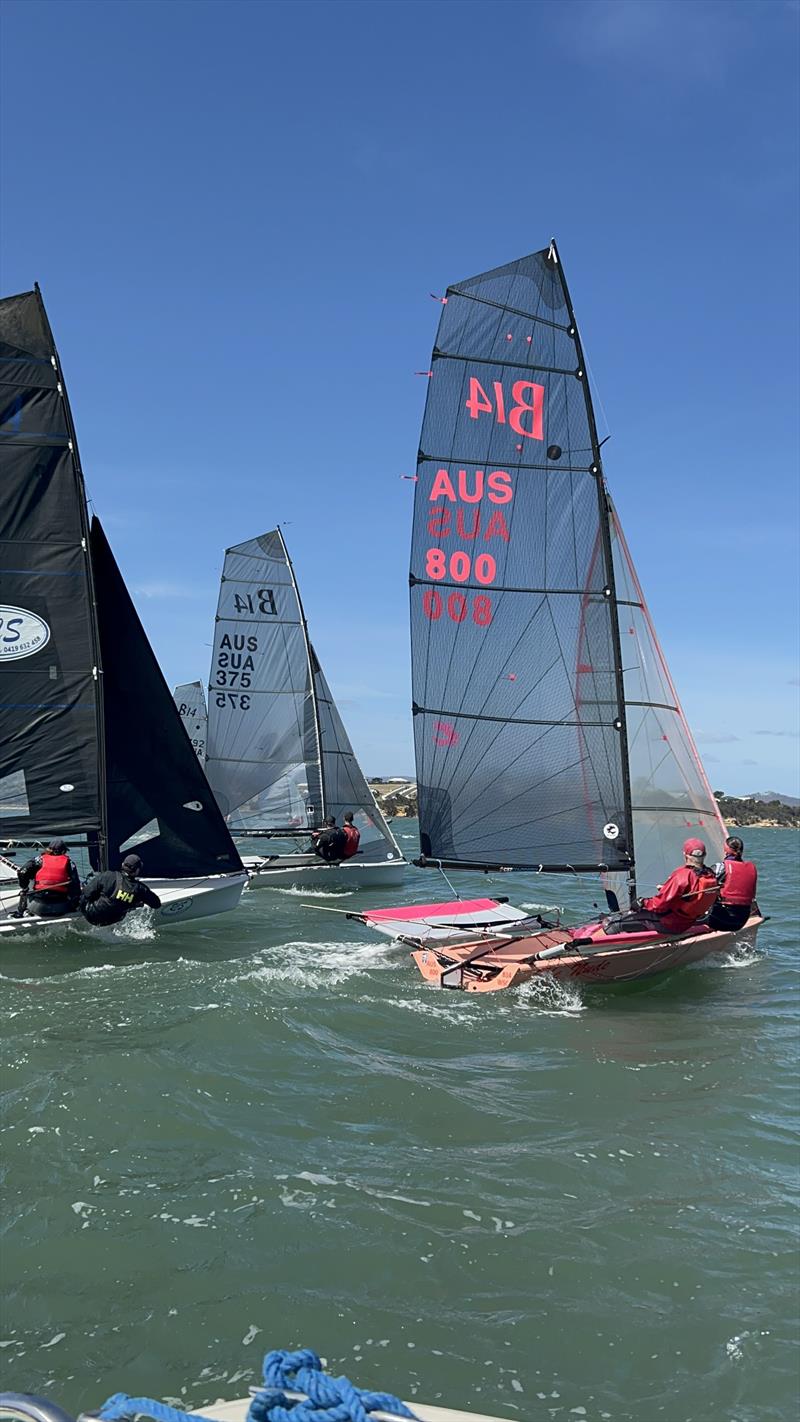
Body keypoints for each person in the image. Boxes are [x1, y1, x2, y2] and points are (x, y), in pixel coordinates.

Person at [602, 838, 719, 937]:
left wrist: (642, 902)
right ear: (704, 855)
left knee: (611, 924)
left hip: (669, 923)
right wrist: (666, 889)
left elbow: (659, 905)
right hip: (687, 922)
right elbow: (690, 895)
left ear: (685, 854)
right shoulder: (709, 874)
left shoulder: (683, 874)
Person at [79, 853, 161, 927]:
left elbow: (86, 893)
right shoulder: (140, 888)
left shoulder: (108, 875)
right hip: (112, 921)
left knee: (89, 887)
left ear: (122, 864)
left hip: (91, 916)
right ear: (137, 871)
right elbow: (156, 904)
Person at [12, 839, 82, 918]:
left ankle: (20, 913)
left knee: (24, 891)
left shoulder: (39, 859)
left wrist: (24, 887)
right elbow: (76, 886)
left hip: (38, 906)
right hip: (61, 906)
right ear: (63, 851)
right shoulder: (70, 863)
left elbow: (22, 872)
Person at [706, 836, 757, 932]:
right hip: (742, 921)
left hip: (720, 920)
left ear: (725, 850)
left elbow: (702, 885)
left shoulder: (720, 867)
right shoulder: (751, 868)